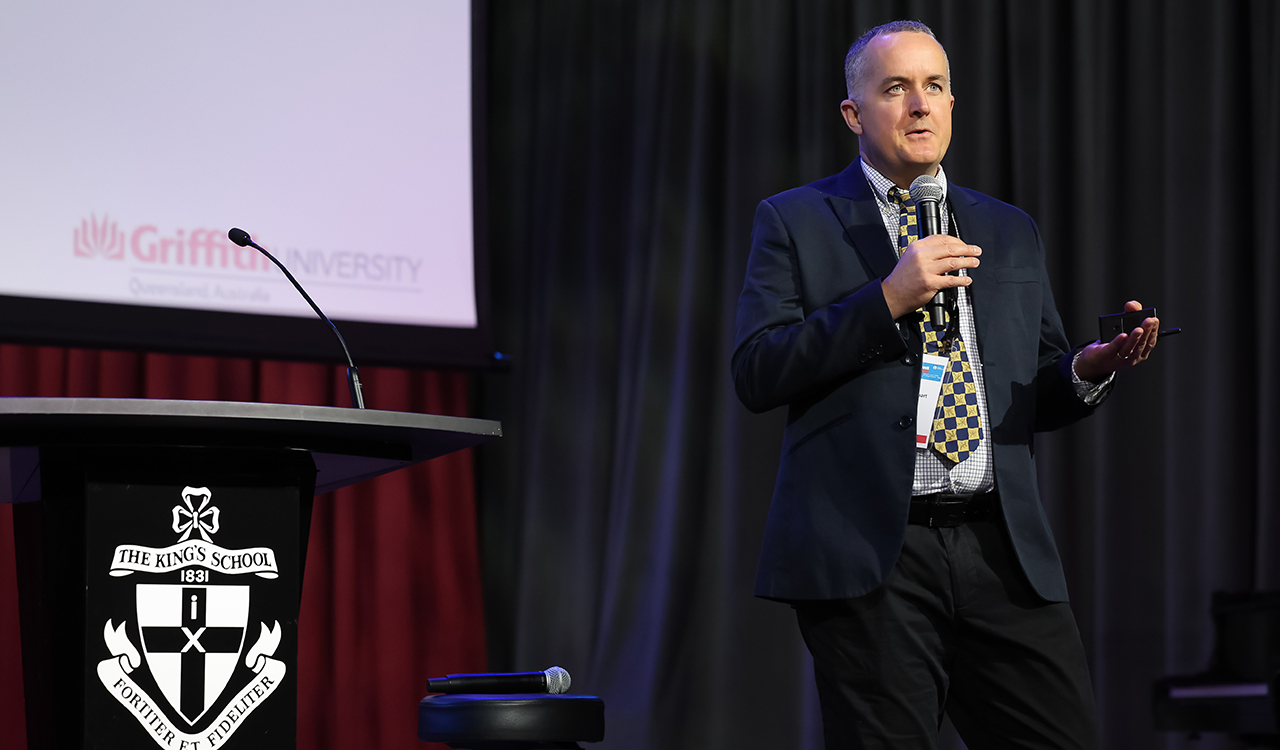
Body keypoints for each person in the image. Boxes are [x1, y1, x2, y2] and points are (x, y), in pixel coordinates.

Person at [731, 20, 1159, 750]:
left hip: (1001, 549)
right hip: (873, 555)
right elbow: (758, 370)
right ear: (853, 113)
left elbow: (1037, 392)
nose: (919, 105)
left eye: (934, 87)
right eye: (895, 88)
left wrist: (1089, 367)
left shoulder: (1009, 228)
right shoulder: (796, 220)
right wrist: (886, 299)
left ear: (954, 105)